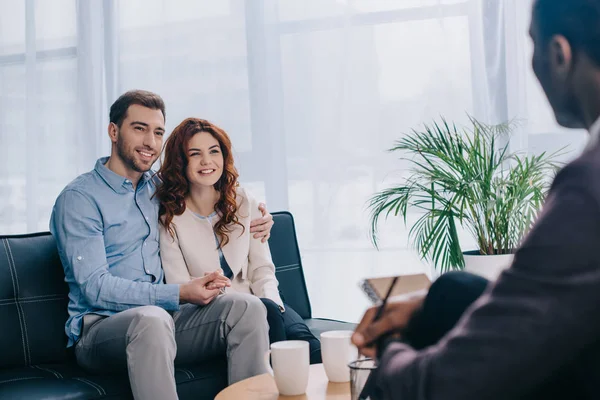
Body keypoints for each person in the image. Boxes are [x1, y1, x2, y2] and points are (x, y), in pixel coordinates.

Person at [351, 0, 600, 398]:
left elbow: (440, 385)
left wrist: (389, 349)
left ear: (559, 55)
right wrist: (423, 308)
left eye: (531, 47)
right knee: (450, 292)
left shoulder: (588, 186)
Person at [50, 90, 275, 400]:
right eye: (139, 128)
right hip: (101, 331)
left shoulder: (157, 188)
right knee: (151, 320)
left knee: (246, 307)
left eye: (158, 132)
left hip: (167, 321)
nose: (150, 142)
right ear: (113, 131)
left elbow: (213, 199)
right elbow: (95, 288)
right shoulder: (80, 199)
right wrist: (179, 293)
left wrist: (260, 218)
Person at [155, 117, 322, 364]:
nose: (207, 161)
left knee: (310, 346)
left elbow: (262, 269)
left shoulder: (243, 201)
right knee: (273, 329)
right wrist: (252, 305)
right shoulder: (169, 217)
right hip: (212, 311)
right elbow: (181, 284)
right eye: (195, 154)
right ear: (181, 162)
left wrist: (273, 303)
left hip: (263, 298)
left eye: (214, 151)